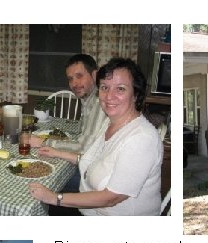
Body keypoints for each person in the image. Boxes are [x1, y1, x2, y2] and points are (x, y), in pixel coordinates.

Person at [28, 58, 163, 216]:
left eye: (120, 89)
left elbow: (112, 198)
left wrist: (54, 197)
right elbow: (93, 159)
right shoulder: (110, 124)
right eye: (105, 87)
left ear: (136, 95)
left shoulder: (141, 139)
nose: (109, 96)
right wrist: (57, 153)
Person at [30, 54, 107, 195]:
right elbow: (83, 136)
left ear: (95, 75)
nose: (74, 84)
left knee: (35, 179)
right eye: (71, 79)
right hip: (90, 163)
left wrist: (43, 142)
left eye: (79, 76)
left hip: (96, 176)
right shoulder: (88, 99)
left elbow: (83, 148)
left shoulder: (98, 102)